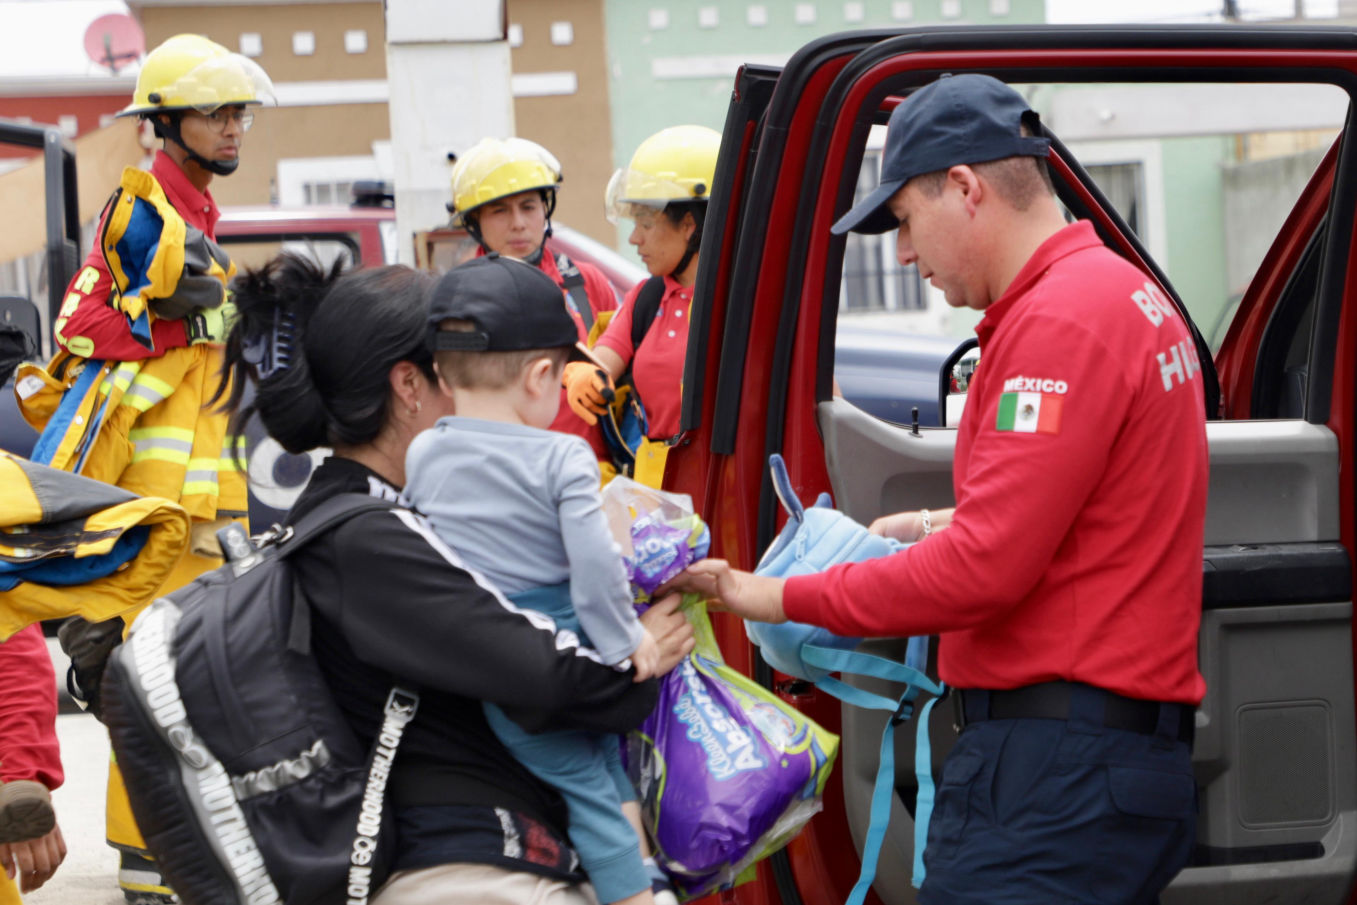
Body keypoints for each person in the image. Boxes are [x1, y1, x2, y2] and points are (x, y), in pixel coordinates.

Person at [663, 74, 1207, 905]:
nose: (905, 253)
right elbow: (1093, 511)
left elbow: (983, 570)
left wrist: (771, 593)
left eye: (906, 223)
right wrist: (925, 525)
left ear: (964, 187)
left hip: (1054, 778)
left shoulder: (1056, 323)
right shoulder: (1123, 296)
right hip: (1095, 767)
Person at [221, 253, 695, 905]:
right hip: (466, 874)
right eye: (460, 375)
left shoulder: (395, 510)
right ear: (413, 384)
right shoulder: (364, 538)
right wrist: (640, 650)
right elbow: (545, 679)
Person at [12, 33, 273, 904]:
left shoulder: (194, 212)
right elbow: (82, 326)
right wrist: (182, 323)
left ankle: (168, 858)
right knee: (160, 685)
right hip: (156, 501)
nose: (234, 127)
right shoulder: (141, 207)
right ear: (165, 124)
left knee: (187, 686)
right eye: (215, 112)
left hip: (197, 499)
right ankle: (151, 867)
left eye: (238, 111)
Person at [405, 254, 675, 905]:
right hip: (558, 644)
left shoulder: (424, 451)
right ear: (539, 376)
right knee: (590, 781)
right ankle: (634, 895)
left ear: (442, 374)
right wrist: (624, 645)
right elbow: (592, 570)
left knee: (595, 770)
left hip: (481, 654)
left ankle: (641, 870)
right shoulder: (562, 455)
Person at [562, 125, 720, 486]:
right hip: (656, 488)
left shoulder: (745, 301)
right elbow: (602, 365)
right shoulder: (645, 299)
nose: (634, 238)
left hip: (725, 486)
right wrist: (580, 373)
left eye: (646, 223)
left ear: (690, 226)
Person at [448, 137, 620, 464]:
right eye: (500, 210)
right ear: (475, 222)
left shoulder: (586, 282)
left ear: (545, 210)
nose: (518, 223)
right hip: (508, 475)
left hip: (592, 475)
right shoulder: (462, 298)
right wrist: (565, 372)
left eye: (528, 207)